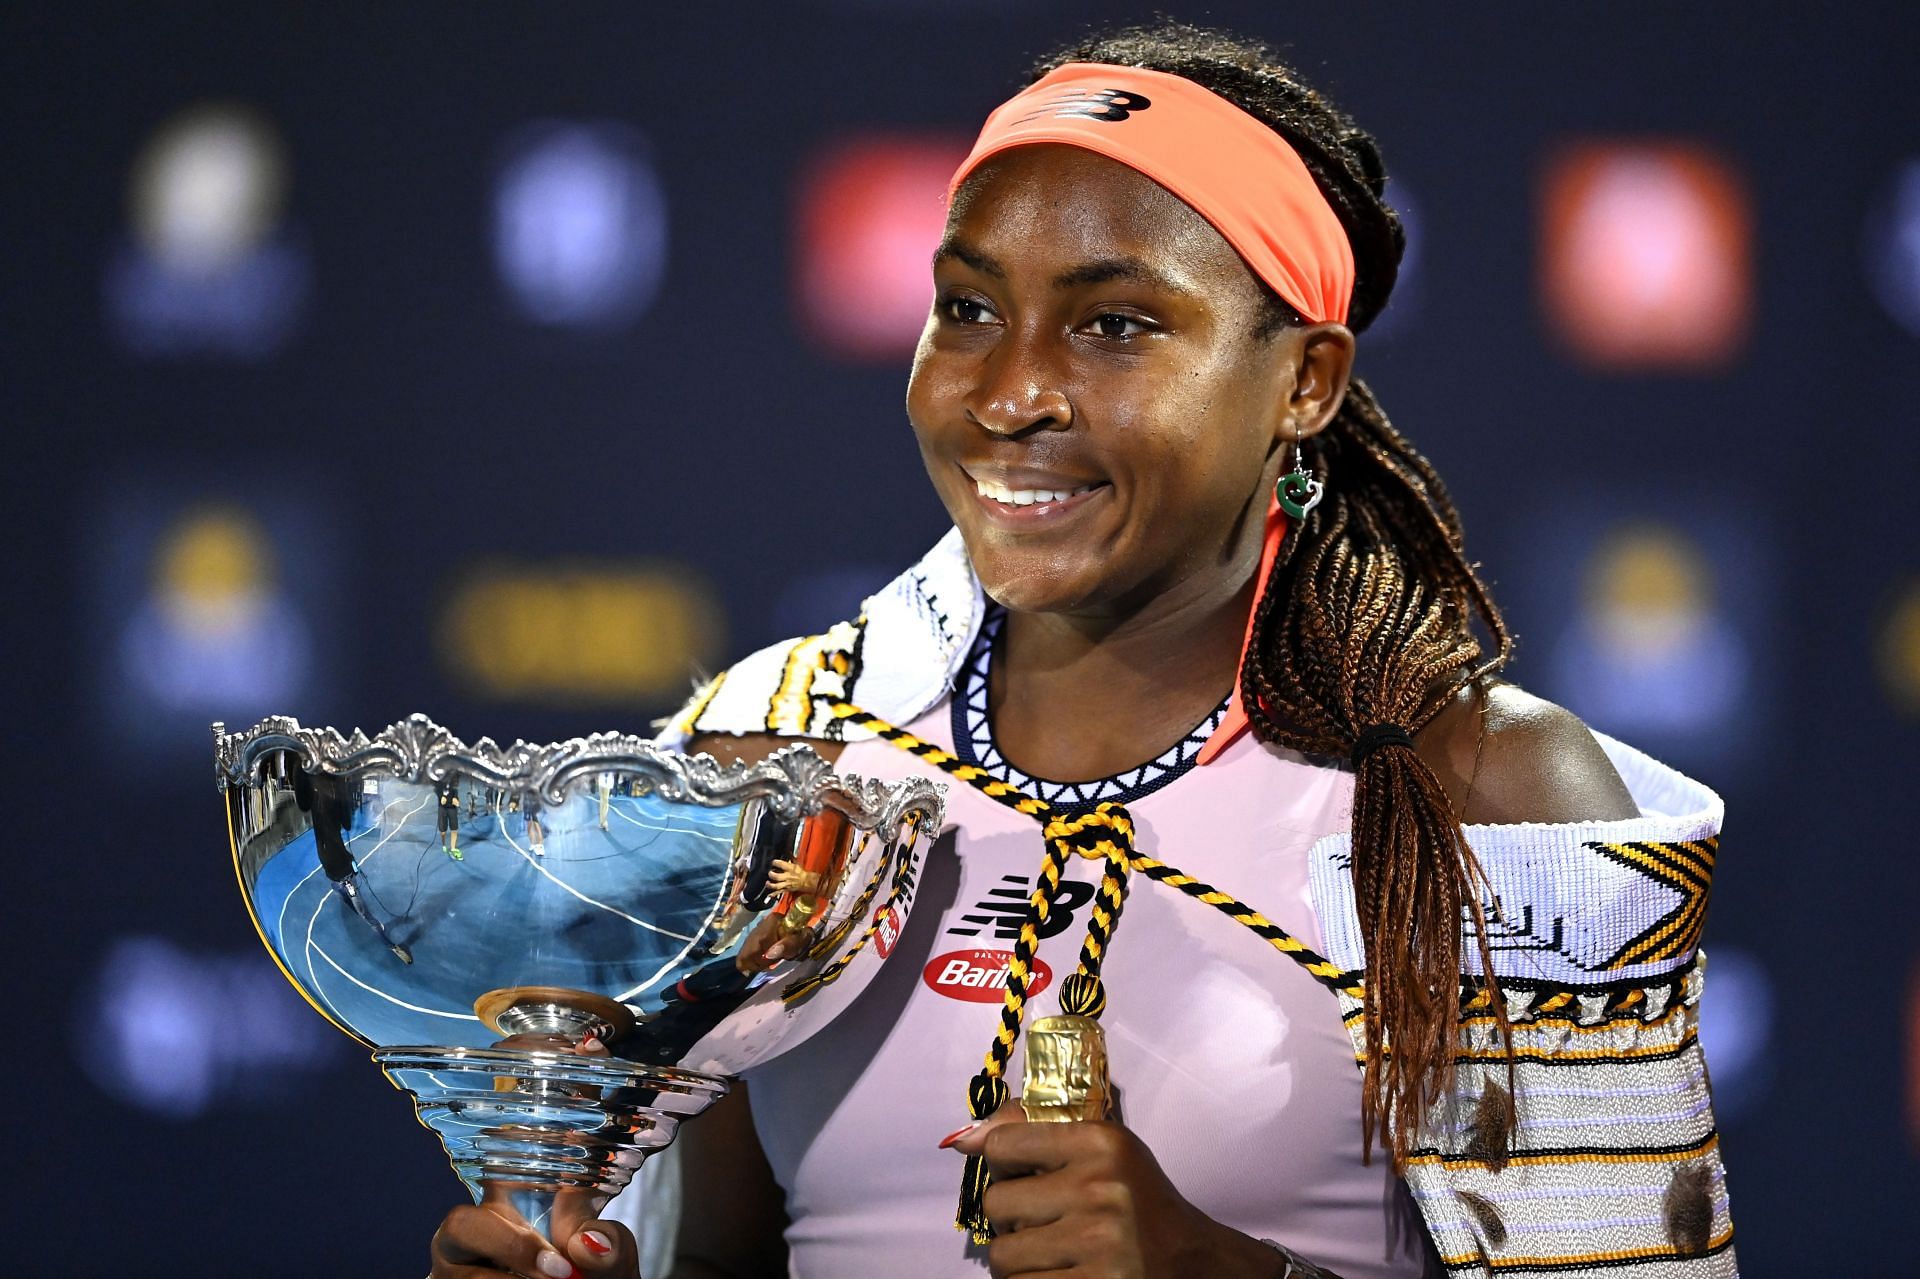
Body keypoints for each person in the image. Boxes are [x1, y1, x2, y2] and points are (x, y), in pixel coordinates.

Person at [430, 21, 1732, 1279]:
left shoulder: (1488, 796)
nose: (1010, 393)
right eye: (968, 308)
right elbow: (715, 1256)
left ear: (1307, 382)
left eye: (1115, 325)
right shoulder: (772, 755)